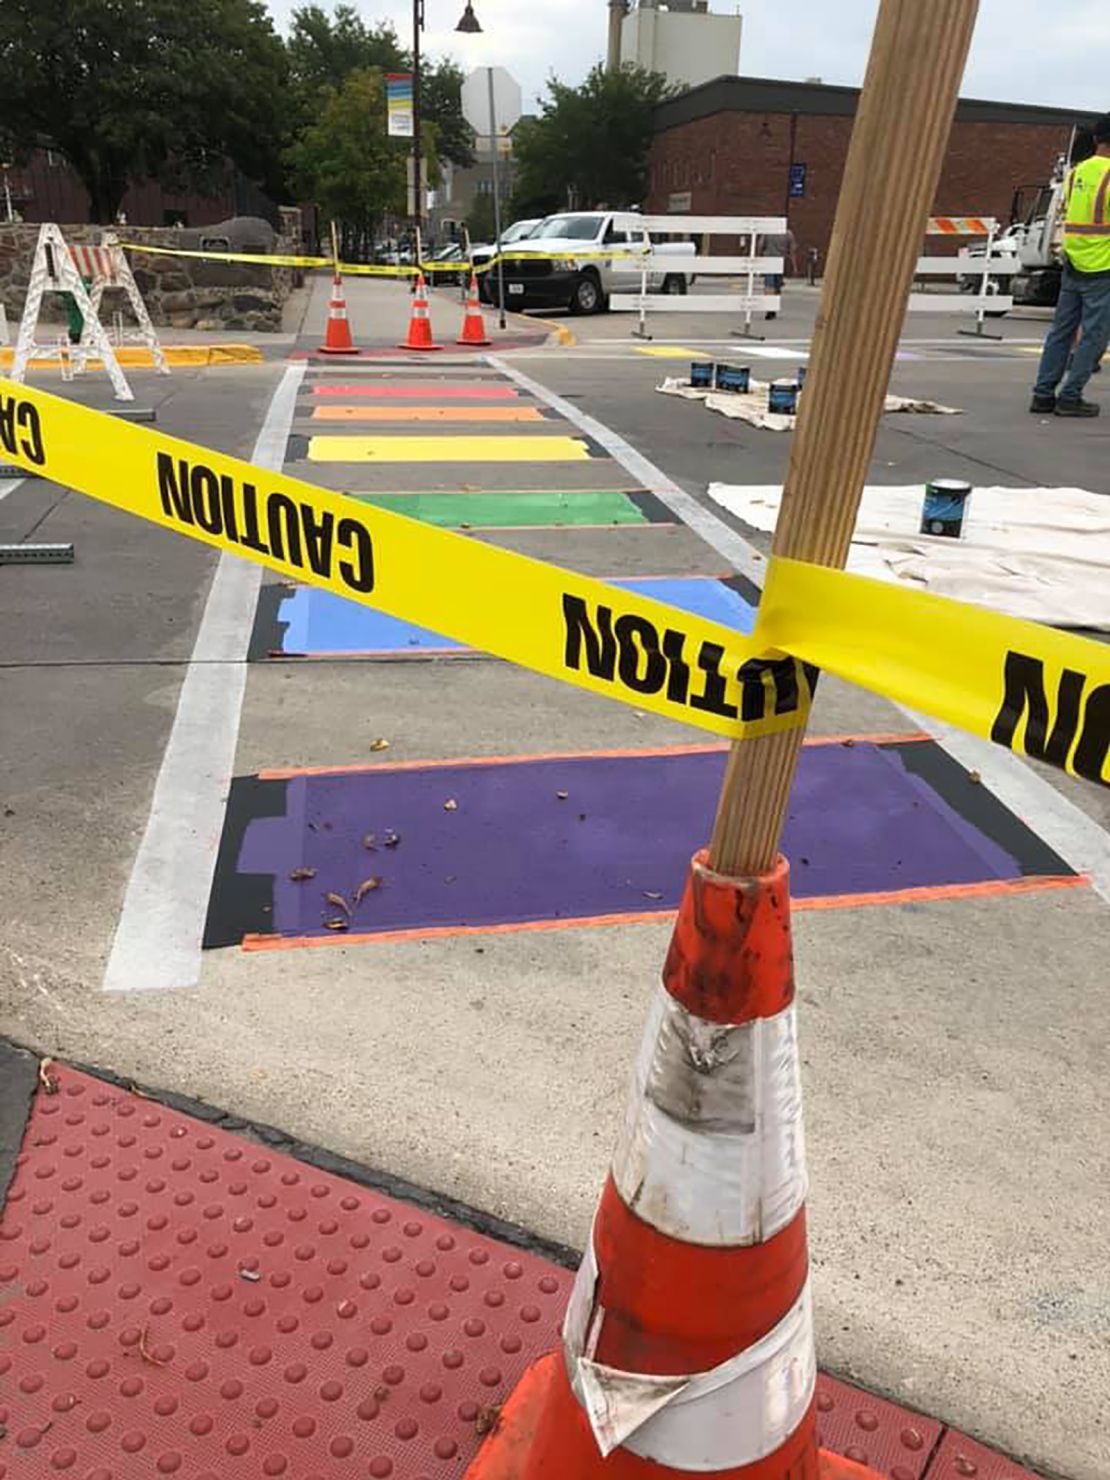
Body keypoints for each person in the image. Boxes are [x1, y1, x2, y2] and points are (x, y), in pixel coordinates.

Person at [1030, 113, 1110, 417]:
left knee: (1061, 331)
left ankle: (1042, 394)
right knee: (1094, 335)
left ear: (1095, 139)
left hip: (1072, 260)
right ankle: (1070, 396)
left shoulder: (1075, 173)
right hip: (1103, 264)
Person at [759, 226, 797, 320]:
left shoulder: (767, 232)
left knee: (769, 285)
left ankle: (769, 308)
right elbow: (792, 251)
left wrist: (759, 259)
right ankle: (774, 307)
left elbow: (760, 246)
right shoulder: (788, 233)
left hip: (768, 260)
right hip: (780, 261)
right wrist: (794, 266)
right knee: (777, 285)